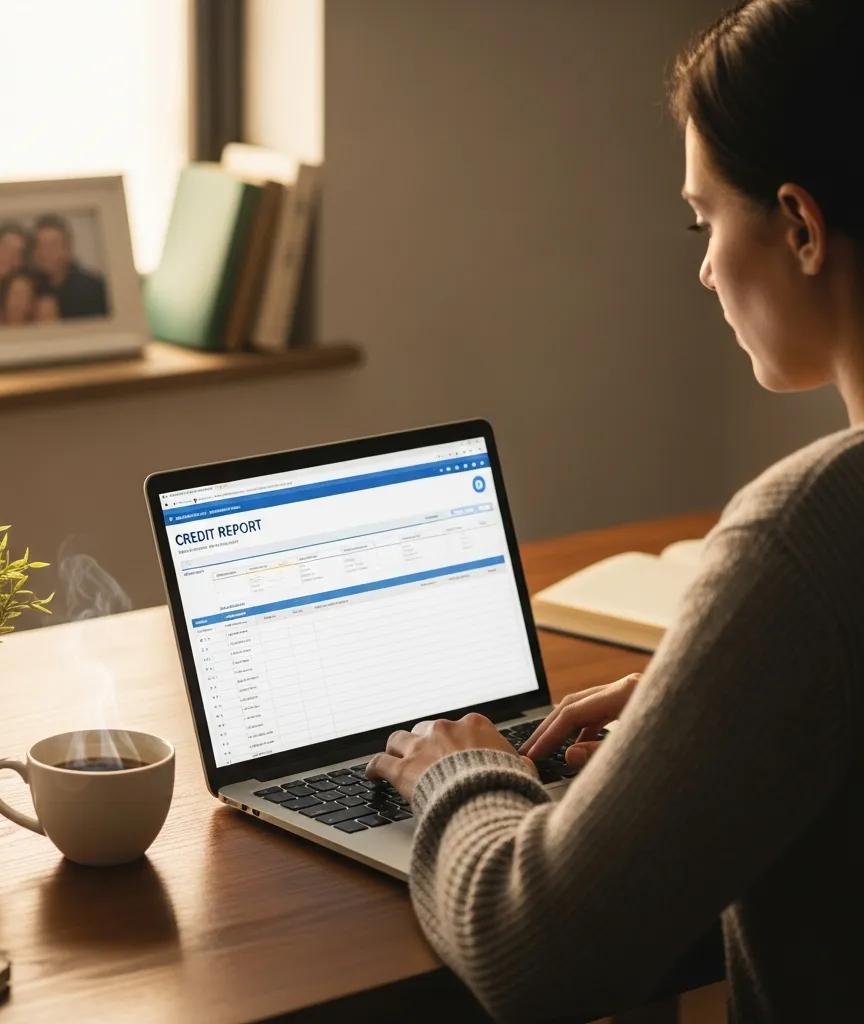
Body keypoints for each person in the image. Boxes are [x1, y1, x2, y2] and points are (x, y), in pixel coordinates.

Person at [366, 1, 864, 1020]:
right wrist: (717, 712)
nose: (702, 265)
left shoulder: (809, 526)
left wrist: (459, 773)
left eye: (703, 219)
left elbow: (534, 949)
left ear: (801, 225)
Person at [30, 213, 108, 319]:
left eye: (53, 245)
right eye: (40, 245)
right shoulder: (29, 289)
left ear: (67, 249)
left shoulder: (94, 289)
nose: (45, 253)